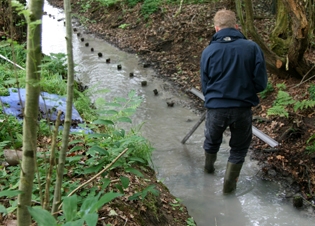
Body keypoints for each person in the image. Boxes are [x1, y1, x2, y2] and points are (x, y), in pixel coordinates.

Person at [200, 9, 267, 194]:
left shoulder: (208, 51)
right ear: (237, 27)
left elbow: (205, 85)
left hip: (216, 108)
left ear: (216, 29)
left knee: (211, 143)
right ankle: (228, 192)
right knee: (238, 150)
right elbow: (261, 83)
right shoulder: (252, 48)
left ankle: (208, 175)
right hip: (242, 109)